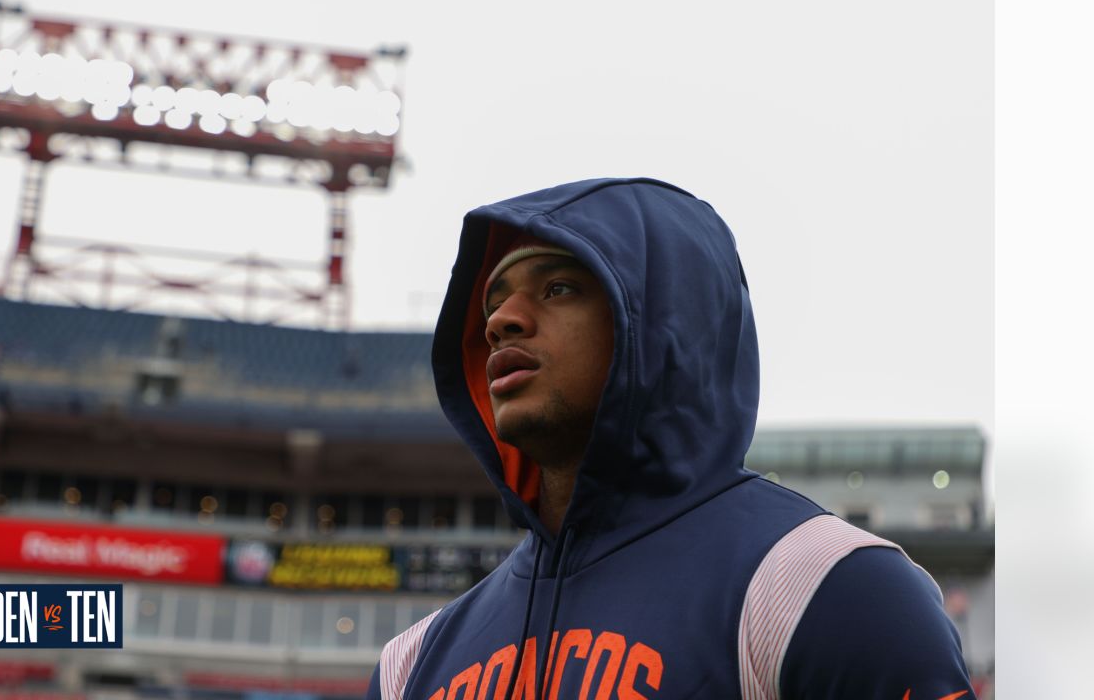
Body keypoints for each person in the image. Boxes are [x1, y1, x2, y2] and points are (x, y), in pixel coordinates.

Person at [367, 178, 975, 700]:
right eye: (493, 305)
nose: (501, 321)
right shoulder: (409, 665)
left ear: (664, 323)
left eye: (558, 288)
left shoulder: (825, 587)